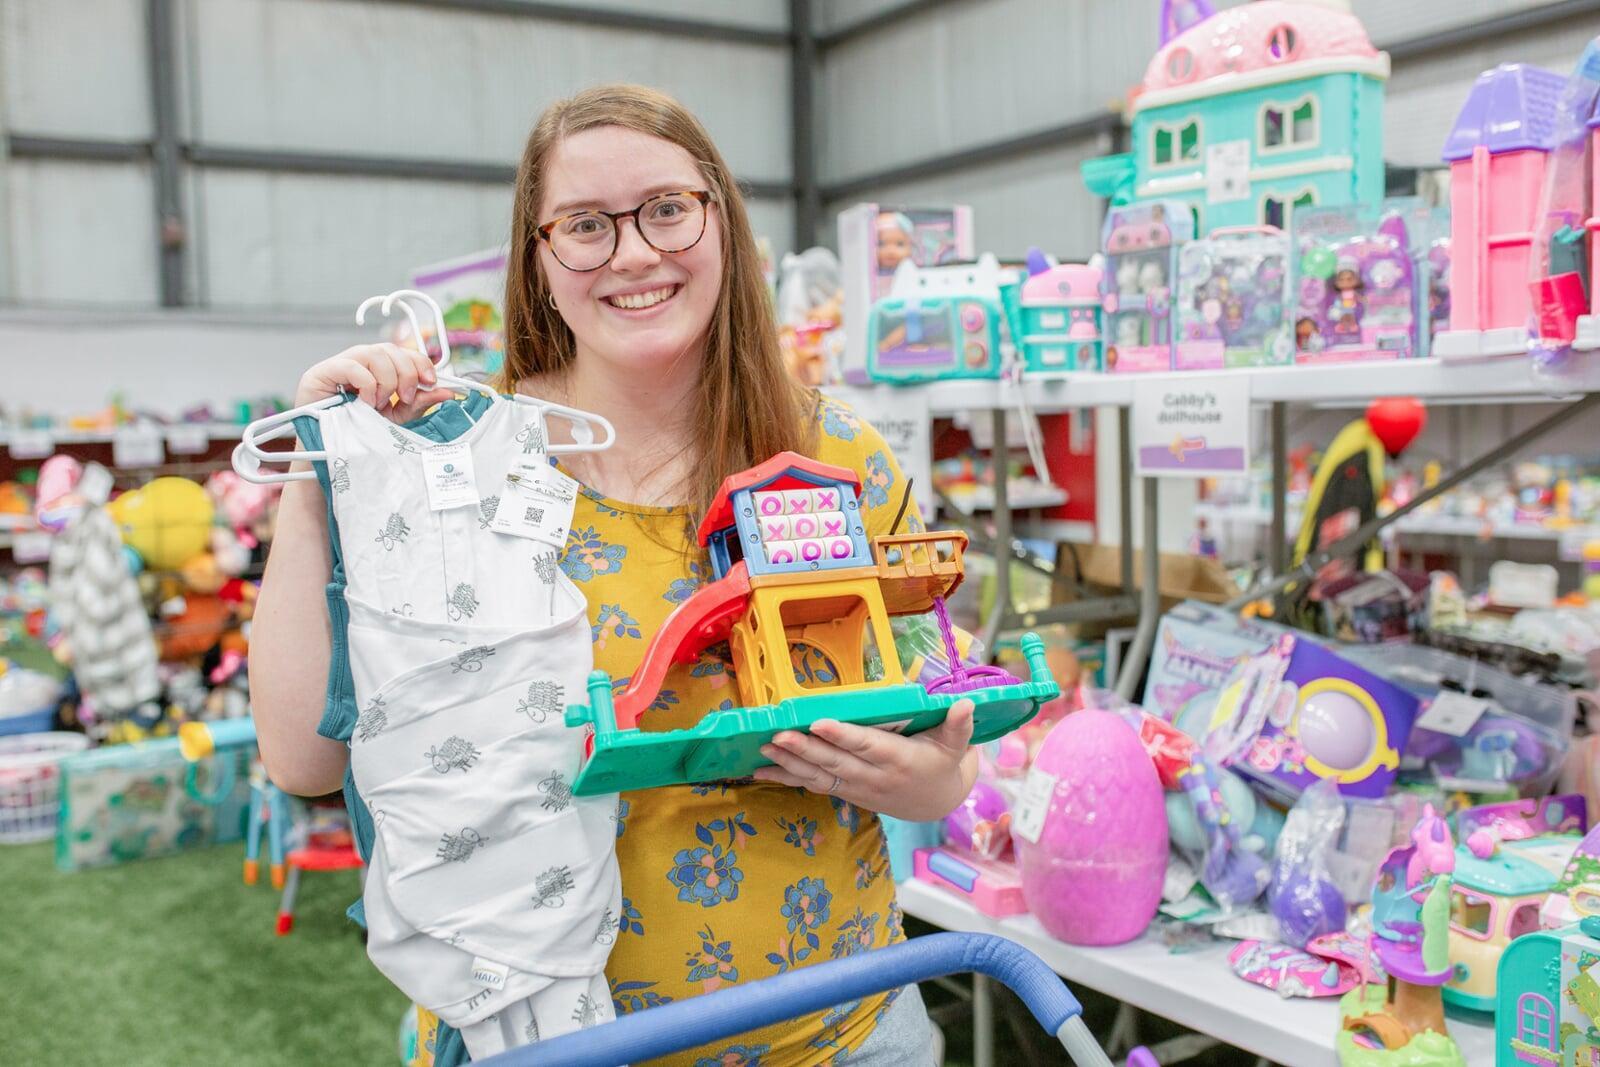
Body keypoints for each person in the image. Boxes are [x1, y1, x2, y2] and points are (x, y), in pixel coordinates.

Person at [251, 83, 978, 1066]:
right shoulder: (455, 460)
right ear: (539, 258)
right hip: (540, 1043)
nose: (635, 253)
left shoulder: (836, 452)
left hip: (845, 1031)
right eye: (587, 224)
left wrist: (924, 776)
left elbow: (942, 754)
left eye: (668, 208)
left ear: (720, 219)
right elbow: (302, 759)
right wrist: (317, 475)